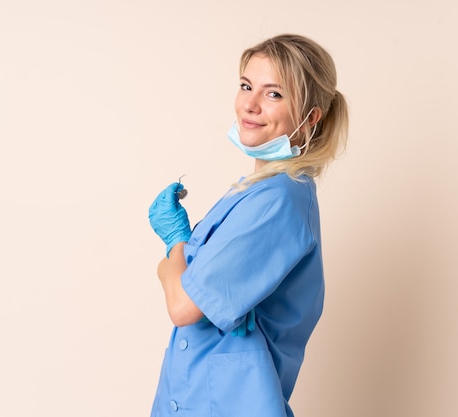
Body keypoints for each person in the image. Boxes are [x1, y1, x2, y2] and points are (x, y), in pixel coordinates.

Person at [148, 33, 348, 417]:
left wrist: (174, 247)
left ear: (309, 119)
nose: (250, 105)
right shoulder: (257, 192)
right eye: (246, 86)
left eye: (274, 94)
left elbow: (184, 306)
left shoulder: (278, 200)